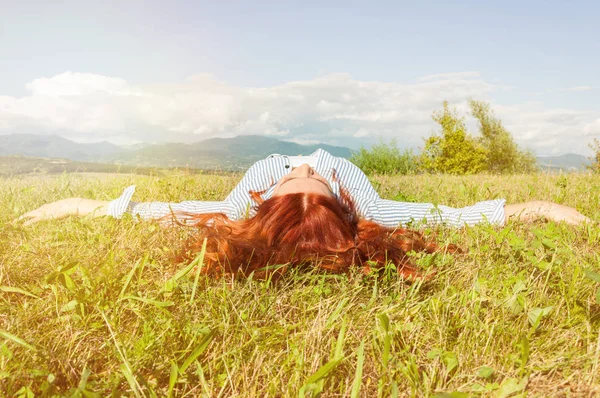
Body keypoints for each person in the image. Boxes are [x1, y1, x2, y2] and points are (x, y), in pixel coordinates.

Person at [16, 149, 591, 279]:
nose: (298, 165)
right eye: (296, 174)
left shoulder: (257, 189)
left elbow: (463, 213)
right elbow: (168, 211)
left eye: (300, 175)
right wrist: (85, 202)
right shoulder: (354, 195)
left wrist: (542, 206)